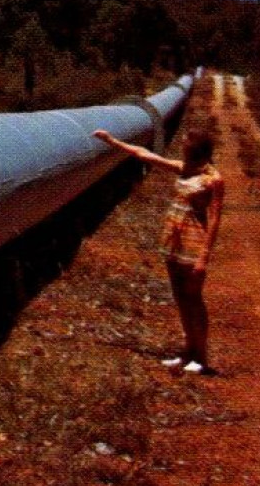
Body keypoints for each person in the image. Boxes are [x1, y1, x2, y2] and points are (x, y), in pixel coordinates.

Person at [92, 127, 225, 374]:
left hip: (193, 244)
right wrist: (112, 140)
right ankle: (187, 351)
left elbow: (215, 219)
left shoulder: (213, 180)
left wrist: (204, 258)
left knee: (194, 299)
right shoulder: (184, 168)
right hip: (173, 242)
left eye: (186, 146)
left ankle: (201, 356)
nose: (183, 149)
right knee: (180, 298)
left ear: (198, 149)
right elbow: (145, 154)